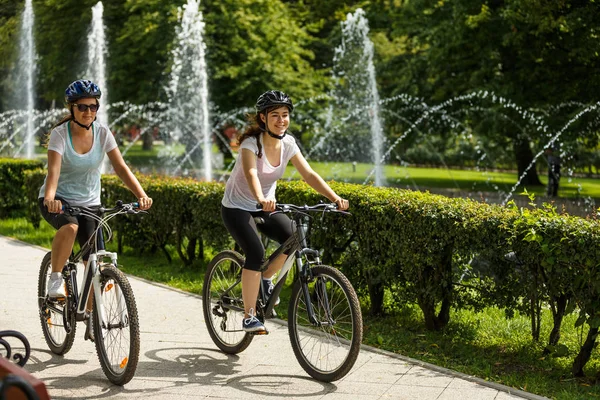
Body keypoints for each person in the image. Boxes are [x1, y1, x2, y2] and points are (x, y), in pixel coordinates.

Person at [221, 90, 349, 333]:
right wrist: (260, 198)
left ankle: (266, 279)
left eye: (285, 115)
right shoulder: (251, 144)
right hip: (237, 207)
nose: (281, 120)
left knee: (294, 237)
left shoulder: (288, 143)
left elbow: (309, 174)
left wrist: (334, 198)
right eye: (275, 116)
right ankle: (249, 315)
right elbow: (251, 174)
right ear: (263, 118)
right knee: (256, 253)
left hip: (267, 205)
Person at [38, 79, 152, 340]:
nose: (89, 111)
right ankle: (56, 278)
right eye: (83, 107)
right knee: (70, 226)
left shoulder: (102, 133)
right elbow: (53, 171)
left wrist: (142, 195)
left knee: (96, 262)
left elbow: (121, 168)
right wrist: (51, 197)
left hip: (90, 203)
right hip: (59, 199)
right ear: (72, 108)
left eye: (93, 106)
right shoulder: (60, 135)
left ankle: (89, 315)